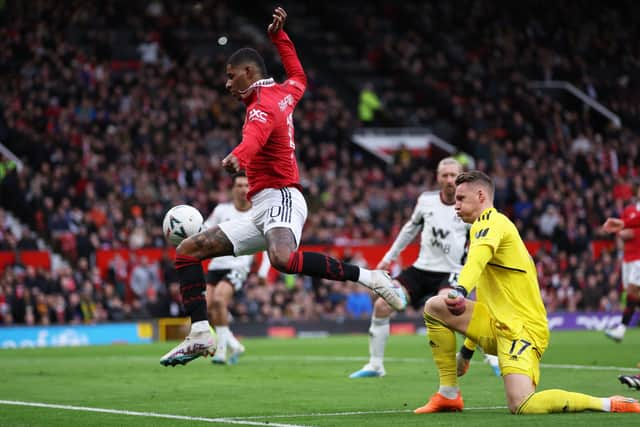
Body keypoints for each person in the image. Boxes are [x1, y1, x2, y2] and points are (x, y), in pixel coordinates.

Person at [160, 7, 405, 367]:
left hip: (283, 196)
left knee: (282, 259)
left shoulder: (260, 107)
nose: (227, 84)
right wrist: (280, 38)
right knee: (187, 251)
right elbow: (300, 76)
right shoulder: (283, 93)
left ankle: (371, 277)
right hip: (260, 208)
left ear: (247, 73)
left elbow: (254, 137)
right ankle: (199, 333)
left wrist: (238, 156)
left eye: (231, 77)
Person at [414, 170, 639, 414]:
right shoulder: (481, 228)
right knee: (435, 307)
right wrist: (466, 352)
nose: (455, 205)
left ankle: (610, 403)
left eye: (460, 199)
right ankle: (448, 395)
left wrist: (459, 289)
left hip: (522, 330)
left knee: (522, 404)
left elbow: (476, 262)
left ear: (480, 196)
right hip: (495, 323)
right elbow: (488, 300)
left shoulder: (492, 223)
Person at [349, 158, 500, 378]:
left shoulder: (469, 207)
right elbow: (409, 230)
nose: (449, 180)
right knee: (382, 305)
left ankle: (492, 357)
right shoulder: (426, 201)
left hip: (451, 272)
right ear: (437, 177)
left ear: (461, 177)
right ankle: (375, 365)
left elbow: (482, 239)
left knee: (451, 308)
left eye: (453, 175)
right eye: (444, 175)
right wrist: (387, 259)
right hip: (421, 270)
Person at [203, 172, 270, 365]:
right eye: (239, 185)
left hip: (238, 266)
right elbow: (205, 231)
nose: (243, 189)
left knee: (218, 300)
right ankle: (234, 345)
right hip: (216, 265)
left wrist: (263, 272)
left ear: (252, 190)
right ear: (233, 189)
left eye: (246, 186)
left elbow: (267, 245)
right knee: (206, 309)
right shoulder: (221, 210)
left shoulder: (257, 214)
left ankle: (221, 352)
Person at [602, 185, 640, 342]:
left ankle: (621, 328)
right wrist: (623, 229)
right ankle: (621, 329)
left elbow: (629, 231)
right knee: (633, 295)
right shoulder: (630, 210)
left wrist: (627, 230)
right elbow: (621, 233)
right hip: (627, 259)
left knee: (632, 290)